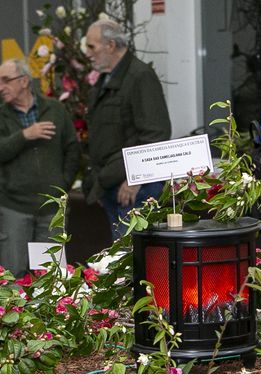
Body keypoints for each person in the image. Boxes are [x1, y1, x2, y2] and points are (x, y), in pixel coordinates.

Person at [0, 58, 80, 276]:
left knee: (49, 276)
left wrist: (62, 184)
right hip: (15, 208)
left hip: (52, 208)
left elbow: (73, 150)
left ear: (25, 81)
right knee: (11, 274)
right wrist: (25, 135)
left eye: (5, 80)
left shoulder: (55, 109)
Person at [82, 18, 171, 239]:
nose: (87, 53)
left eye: (91, 46)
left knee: (132, 262)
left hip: (134, 190)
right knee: (120, 262)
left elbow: (156, 134)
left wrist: (136, 180)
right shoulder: (106, 79)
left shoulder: (140, 76)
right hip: (113, 183)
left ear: (110, 45)